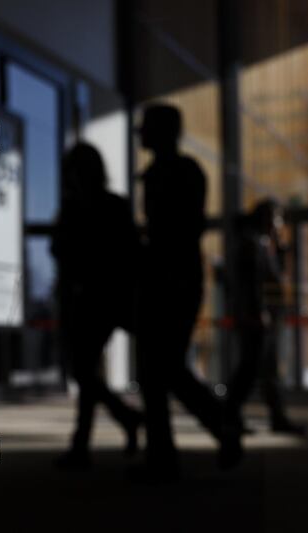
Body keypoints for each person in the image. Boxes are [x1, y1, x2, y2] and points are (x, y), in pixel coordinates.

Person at [135, 104, 241, 480]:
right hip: (177, 278)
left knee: (160, 368)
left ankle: (203, 435)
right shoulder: (180, 172)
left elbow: (175, 230)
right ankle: (190, 441)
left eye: (145, 128)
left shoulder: (171, 174)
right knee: (162, 367)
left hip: (170, 280)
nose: (139, 134)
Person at [52, 142, 143, 470]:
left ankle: (87, 442)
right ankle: (114, 425)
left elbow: (64, 251)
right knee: (85, 371)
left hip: (98, 299)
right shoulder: (109, 205)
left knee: (83, 370)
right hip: (101, 298)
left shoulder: (78, 208)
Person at [225, 199, 304, 434]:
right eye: (276, 218)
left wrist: (279, 248)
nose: (279, 224)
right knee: (250, 369)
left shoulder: (264, 243)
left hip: (264, 316)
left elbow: (274, 277)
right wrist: (258, 311)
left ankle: (275, 417)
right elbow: (251, 284)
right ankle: (229, 416)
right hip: (256, 317)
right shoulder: (251, 244)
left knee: (267, 370)